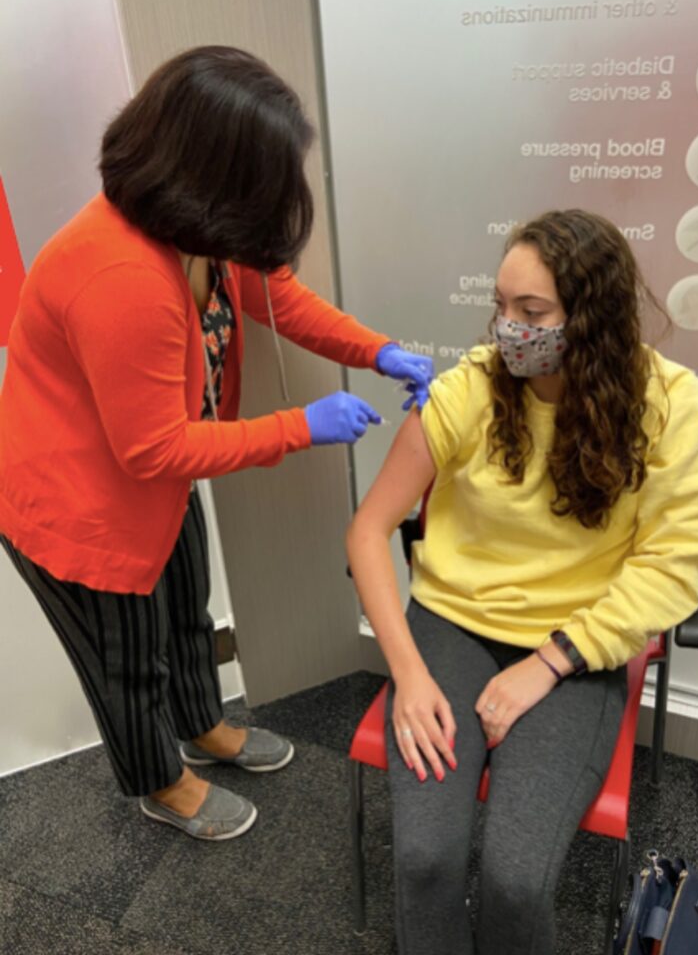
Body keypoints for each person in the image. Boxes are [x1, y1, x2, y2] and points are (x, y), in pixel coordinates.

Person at [0, 46, 432, 842]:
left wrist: (375, 350)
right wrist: (300, 428)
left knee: (185, 616)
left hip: (153, 478)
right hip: (82, 509)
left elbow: (279, 297)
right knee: (126, 665)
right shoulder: (120, 276)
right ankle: (158, 781)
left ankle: (202, 726)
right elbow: (152, 451)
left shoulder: (195, 230)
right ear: (213, 174)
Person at [346, 209, 698, 954]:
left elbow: (676, 560)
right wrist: (408, 673)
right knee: (424, 860)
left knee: (517, 880)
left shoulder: (669, 403)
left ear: (592, 317)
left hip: (578, 646)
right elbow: (366, 530)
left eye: (532, 312)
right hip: (451, 627)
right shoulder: (471, 389)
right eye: (501, 307)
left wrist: (551, 661)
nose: (508, 329)